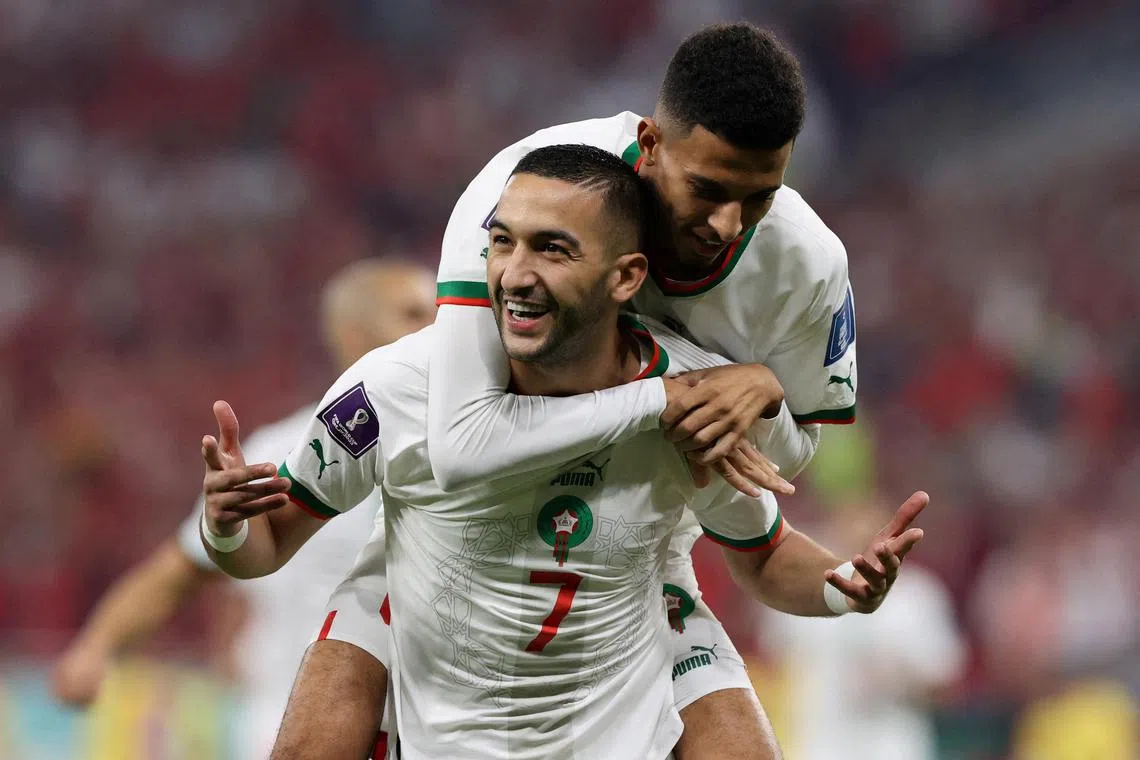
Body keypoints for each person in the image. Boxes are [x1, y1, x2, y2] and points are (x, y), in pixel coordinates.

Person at [199, 146, 926, 759]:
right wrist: (224, 524)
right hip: (436, 657)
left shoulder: (693, 399)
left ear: (626, 278)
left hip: (617, 665)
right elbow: (261, 546)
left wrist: (840, 586)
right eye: (504, 242)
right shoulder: (400, 386)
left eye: (552, 248)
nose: (514, 273)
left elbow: (765, 554)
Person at [426, 21, 857, 758]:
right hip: (460, 543)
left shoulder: (807, 264)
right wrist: (673, 390)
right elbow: (462, 444)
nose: (729, 225)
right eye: (708, 189)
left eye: (760, 197)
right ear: (651, 144)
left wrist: (764, 393)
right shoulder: (528, 195)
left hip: (634, 560)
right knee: (323, 731)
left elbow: (784, 466)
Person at [51, 259, 436, 758]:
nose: (433, 329)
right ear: (351, 332)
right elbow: (177, 571)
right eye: (411, 313)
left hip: (416, 733)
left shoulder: (458, 449)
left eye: (438, 312)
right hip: (286, 727)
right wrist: (95, 647)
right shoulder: (285, 449)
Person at [760, 496, 966, 760]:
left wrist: (898, 677)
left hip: (893, 746)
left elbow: (945, 681)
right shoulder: (808, 589)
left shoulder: (917, 597)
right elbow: (774, 664)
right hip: (818, 746)